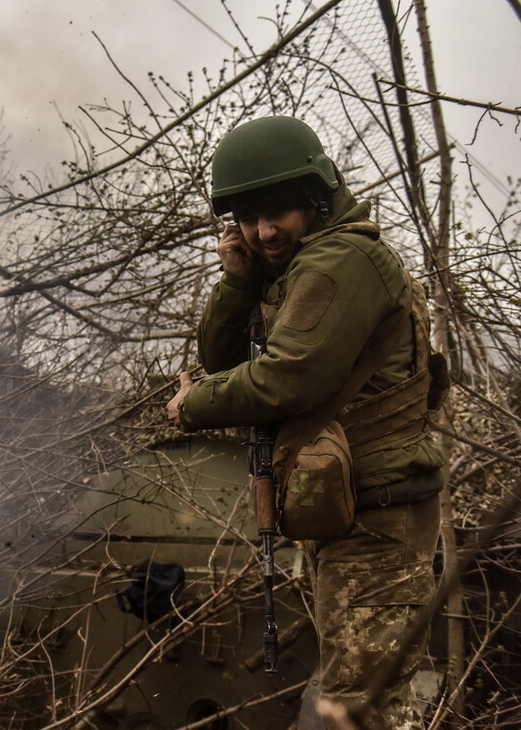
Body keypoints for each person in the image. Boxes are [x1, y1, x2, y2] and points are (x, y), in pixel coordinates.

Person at [166, 116, 446, 729]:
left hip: (381, 522)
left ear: (316, 198)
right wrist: (238, 282)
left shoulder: (339, 262)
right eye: (246, 217)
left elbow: (285, 379)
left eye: (278, 213)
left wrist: (196, 404)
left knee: (362, 711)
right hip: (352, 517)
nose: (263, 231)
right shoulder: (296, 265)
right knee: (354, 702)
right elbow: (220, 360)